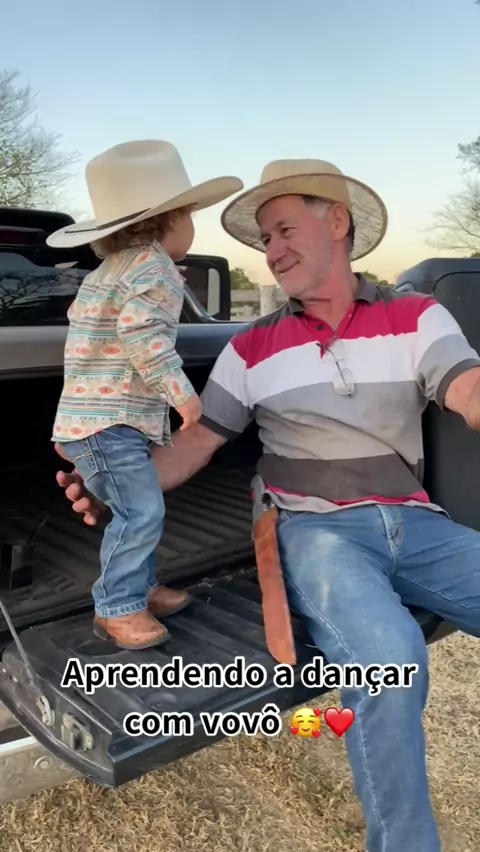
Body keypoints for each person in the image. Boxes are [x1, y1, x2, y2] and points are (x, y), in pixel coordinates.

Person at [55, 157, 480, 852]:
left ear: (336, 222)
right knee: (390, 661)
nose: (271, 251)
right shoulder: (250, 345)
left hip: (419, 523)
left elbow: (467, 387)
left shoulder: (416, 316)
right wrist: (118, 484)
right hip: (316, 533)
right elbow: (195, 443)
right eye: (264, 239)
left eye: (283, 230)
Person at [48, 139, 243, 651]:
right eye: (190, 215)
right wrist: (184, 396)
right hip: (109, 425)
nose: (191, 225)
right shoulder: (154, 269)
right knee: (141, 512)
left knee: (139, 507)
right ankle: (117, 606)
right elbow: (141, 334)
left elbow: (87, 323)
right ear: (170, 220)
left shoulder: (108, 271)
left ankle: (142, 587)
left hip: (90, 423)